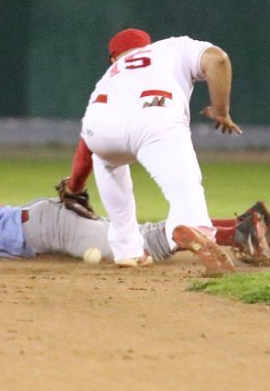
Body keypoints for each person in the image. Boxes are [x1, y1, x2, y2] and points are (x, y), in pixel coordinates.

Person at [0, 132, 270, 267]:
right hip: (41, 226)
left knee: (137, 247)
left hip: (46, 229)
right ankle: (240, 227)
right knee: (133, 235)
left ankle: (214, 235)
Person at [63, 27, 252, 273]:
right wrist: (221, 110)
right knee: (183, 185)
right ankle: (196, 229)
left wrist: (74, 188)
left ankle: (127, 249)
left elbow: (85, 149)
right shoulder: (172, 47)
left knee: (106, 163)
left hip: (99, 130)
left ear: (113, 57)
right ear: (148, 45)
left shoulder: (111, 75)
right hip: (154, 116)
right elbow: (218, 60)